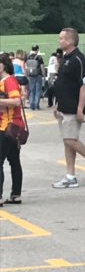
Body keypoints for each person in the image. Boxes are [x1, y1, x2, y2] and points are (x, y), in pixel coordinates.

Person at [51, 28, 85, 189]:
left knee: (71, 139)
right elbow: (63, 84)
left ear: (69, 41)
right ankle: (71, 175)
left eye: (61, 38)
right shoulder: (64, 58)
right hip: (63, 106)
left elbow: (84, 85)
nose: (59, 41)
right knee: (67, 142)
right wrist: (57, 104)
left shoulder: (79, 59)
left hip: (73, 107)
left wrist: (80, 109)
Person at [0, 53, 25, 205]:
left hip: (7, 126)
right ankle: (16, 193)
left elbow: (16, 101)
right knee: (14, 160)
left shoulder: (8, 81)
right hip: (11, 126)